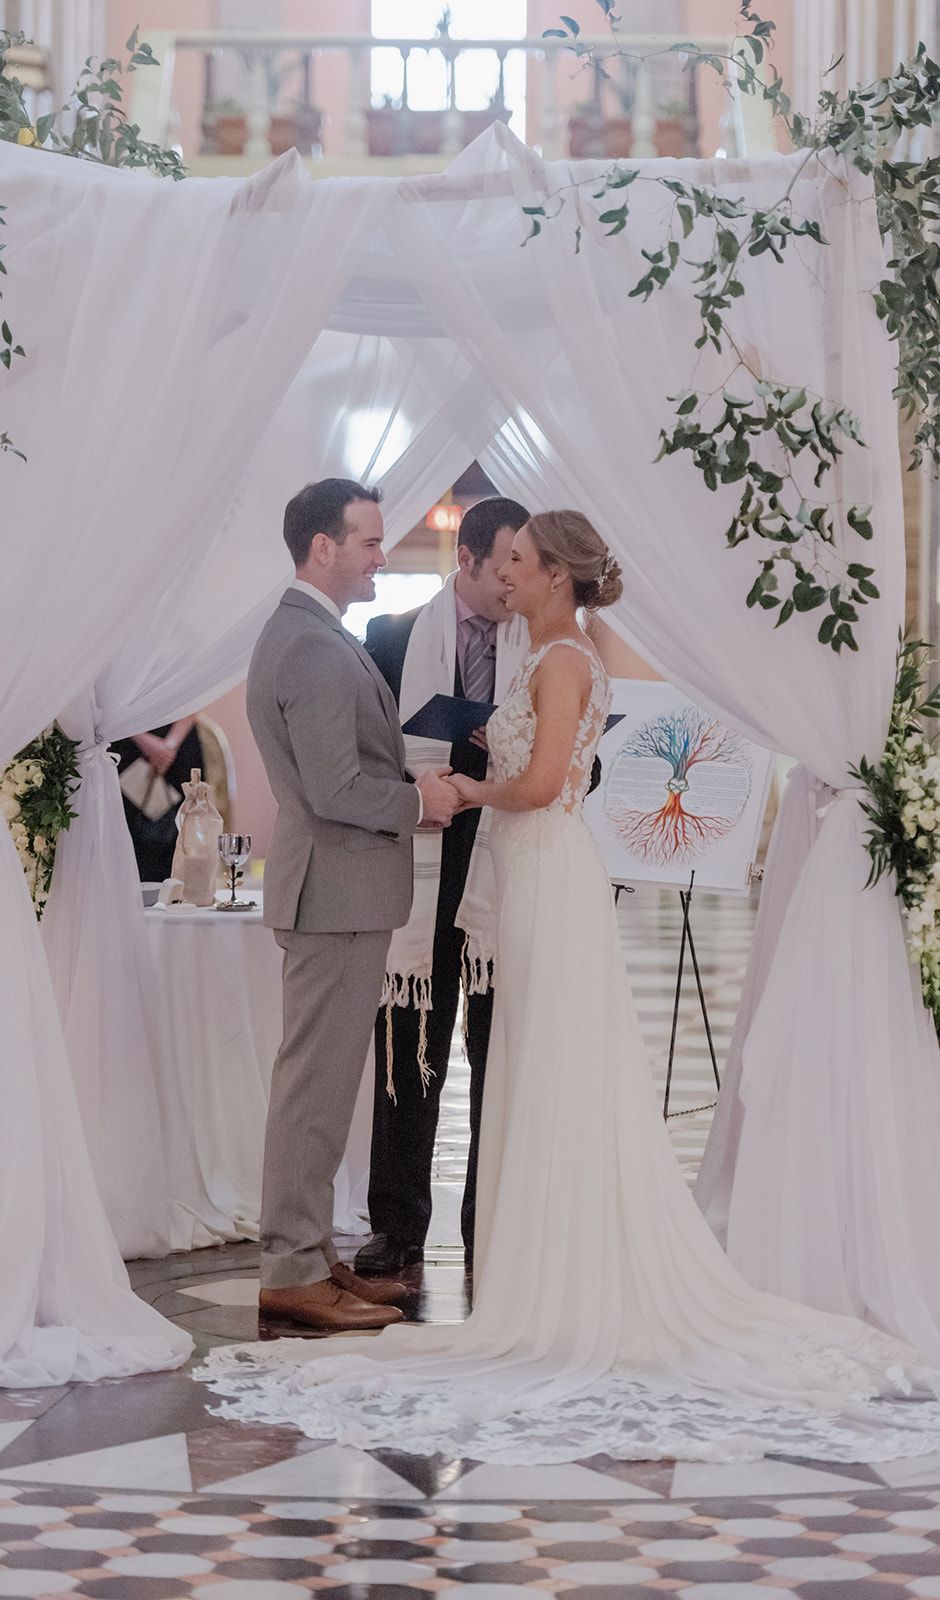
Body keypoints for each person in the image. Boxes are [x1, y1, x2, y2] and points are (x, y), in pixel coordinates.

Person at [200, 509, 940, 1466]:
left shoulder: (558, 660)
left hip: (545, 873)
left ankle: (550, 1267)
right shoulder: (538, 652)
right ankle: (509, 1257)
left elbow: (547, 783)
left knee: (548, 1063)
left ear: (555, 574)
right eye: (503, 559)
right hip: (525, 877)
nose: (502, 573)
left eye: (518, 560)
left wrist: (468, 791)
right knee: (531, 1064)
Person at [245, 479, 461, 1334]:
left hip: (340, 891)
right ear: (322, 547)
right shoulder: (309, 646)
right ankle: (291, 1271)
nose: (381, 556)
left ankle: (308, 1255)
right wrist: (418, 802)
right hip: (333, 893)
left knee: (324, 1088)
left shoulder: (315, 635)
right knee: (314, 1089)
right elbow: (334, 788)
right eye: (369, 542)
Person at [358, 498, 533, 1274]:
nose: (516, 582)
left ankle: (488, 1221)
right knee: (407, 1039)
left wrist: (512, 751)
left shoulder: (542, 644)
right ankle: (396, 1225)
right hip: (420, 856)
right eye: (506, 566)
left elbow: (580, 765)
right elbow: (366, 755)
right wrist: (418, 784)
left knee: (500, 1043)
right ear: (466, 560)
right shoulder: (390, 637)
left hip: (505, 861)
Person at [113, 717, 205, 883]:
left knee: (182, 831)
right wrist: (142, 740)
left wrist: (169, 746)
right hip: (126, 741)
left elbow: (192, 705)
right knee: (125, 835)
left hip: (179, 749)